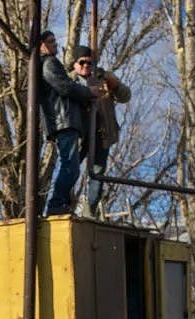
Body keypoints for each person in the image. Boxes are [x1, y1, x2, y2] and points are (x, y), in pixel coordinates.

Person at [39, 30, 104, 216]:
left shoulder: (47, 63)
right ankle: (56, 205)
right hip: (64, 120)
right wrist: (89, 92)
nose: (55, 45)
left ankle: (61, 204)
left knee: (71, 166)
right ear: (41, 45)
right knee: (71, 166)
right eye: (51, 42)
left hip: (65, 120)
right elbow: (64, 87)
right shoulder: (49, 63)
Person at [69, 45, 132, 218]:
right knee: (71, 170)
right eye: (82, 62)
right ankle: (66, 207)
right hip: (79, 133)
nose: (86, 66)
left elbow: (125, 97)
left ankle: (90, 211)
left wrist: (116, 86)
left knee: (97, 174)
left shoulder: (104, 77)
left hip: (102, 132)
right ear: (75, 64)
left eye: (90, 62)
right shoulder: (68, 81)